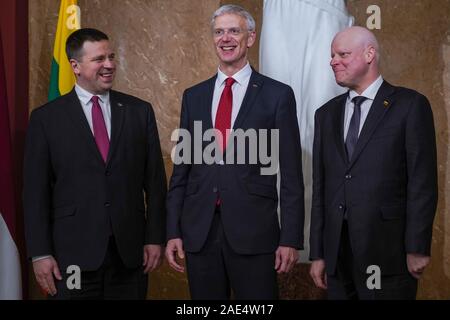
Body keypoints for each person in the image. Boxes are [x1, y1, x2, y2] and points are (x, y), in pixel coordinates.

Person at [165, 4, 304, 300]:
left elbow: (292, 174)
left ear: (250, 38)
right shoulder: (194, 96)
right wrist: (173, 230)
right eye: (218, 32)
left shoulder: (277, 95)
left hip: (254, 232)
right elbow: (182, 170)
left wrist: (290, 238)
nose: (225, 38)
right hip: (199, 232)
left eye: (233, 31)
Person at [23, 28, 167, 299]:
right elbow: (35, 193)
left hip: (129, 255)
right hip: (72, 259)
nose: (109, 65)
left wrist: (154, 237)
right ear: (75, 66)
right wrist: (40, 253)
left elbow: (156, 182)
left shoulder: (139, 111)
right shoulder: (46, 119)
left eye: (111, 56)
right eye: (99, 59)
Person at [309, 26, 438, 299]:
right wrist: (318, 253)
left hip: (388, 253)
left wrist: (417, 246)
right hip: (336, 257)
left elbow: (422, 183)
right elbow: (321, 190)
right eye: (332, 55)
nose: (333, 61)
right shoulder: (325, 115)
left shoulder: (410, 106)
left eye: (342, 54)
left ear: (370, 54)